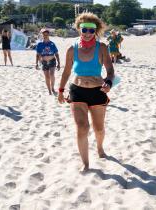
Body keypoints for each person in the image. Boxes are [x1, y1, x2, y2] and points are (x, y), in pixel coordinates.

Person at [58, 13, 115, 172]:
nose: (88, 33)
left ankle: (100, 147)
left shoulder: (102, 47)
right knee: (82, 127)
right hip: (77, 91)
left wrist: (109, 82)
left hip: (97, 91)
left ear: (96, 31)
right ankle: (86, 163)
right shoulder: (72, 49)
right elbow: (66, 72)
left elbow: (110, 70)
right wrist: (61, 91)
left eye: (92, 30)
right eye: (85, 29)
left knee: (99, 129)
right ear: (79, 29)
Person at [35, 28, 60, 95]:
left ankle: (52, 88)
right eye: (44, 34)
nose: (45, 35)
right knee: (47, 77)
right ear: (42, 35)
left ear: (48, 35)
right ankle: (49, 90)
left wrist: (59, 63)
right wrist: (36, 63)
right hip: (44, 62)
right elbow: (37, 55)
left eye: (47, 34)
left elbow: (56, 54)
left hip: (52, 61)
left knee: (52, 75)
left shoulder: (52, 44)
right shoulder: (39, 44)